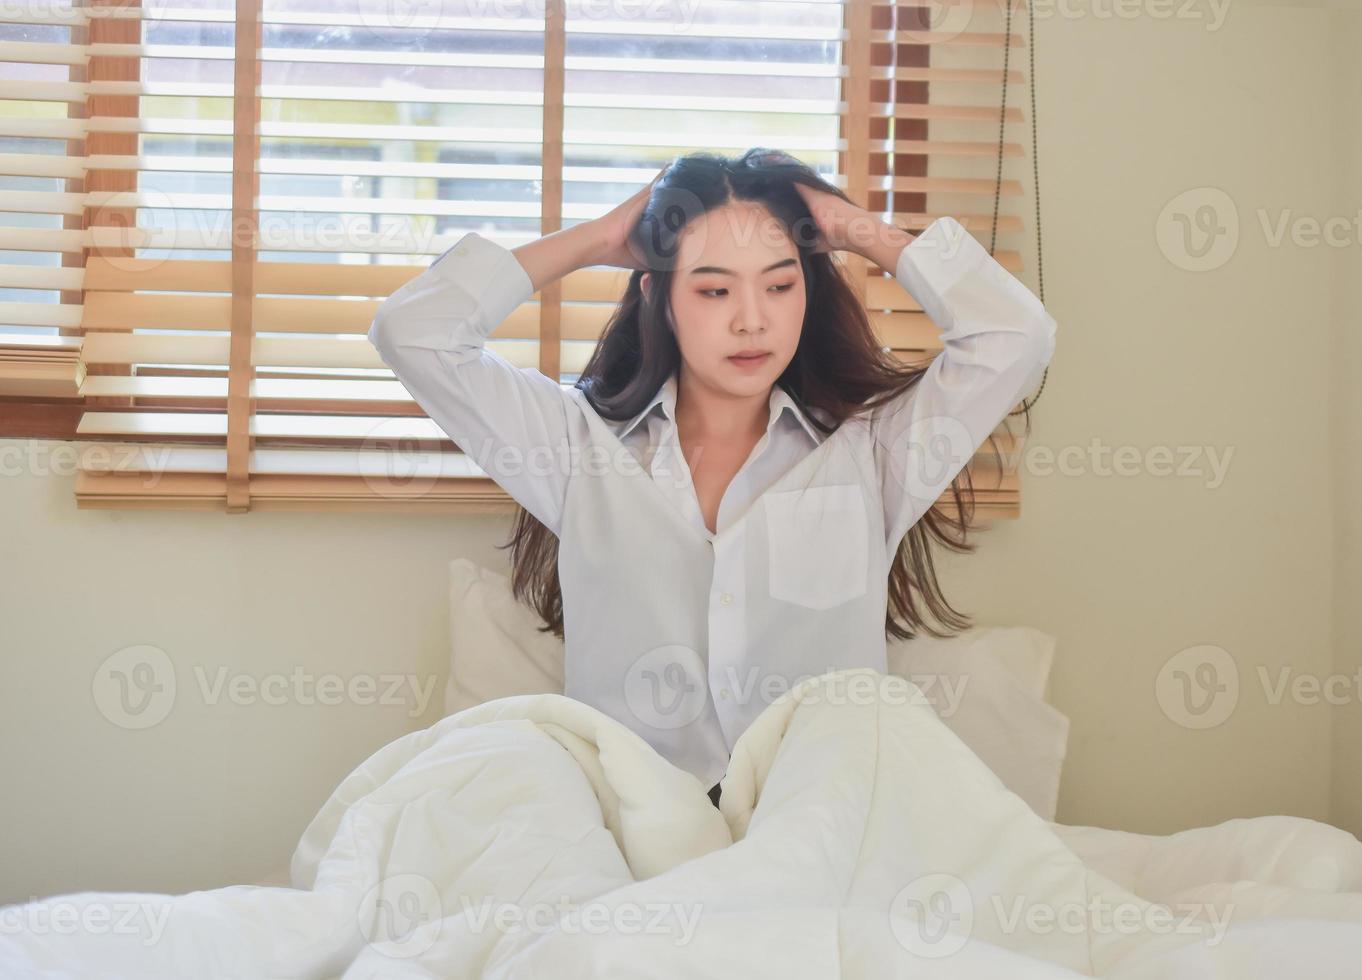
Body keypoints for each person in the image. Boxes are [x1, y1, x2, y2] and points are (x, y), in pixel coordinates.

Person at [367, 148, 1057, 809]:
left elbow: (1015, 336)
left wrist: (857, 231)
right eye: (714, 288)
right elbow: (413, 330)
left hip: (820, 822)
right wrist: (596, 238)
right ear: (659, 298)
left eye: (781, 285)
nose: (752, 319)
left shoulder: (873, 455)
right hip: (630, 833)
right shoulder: (577, 451)